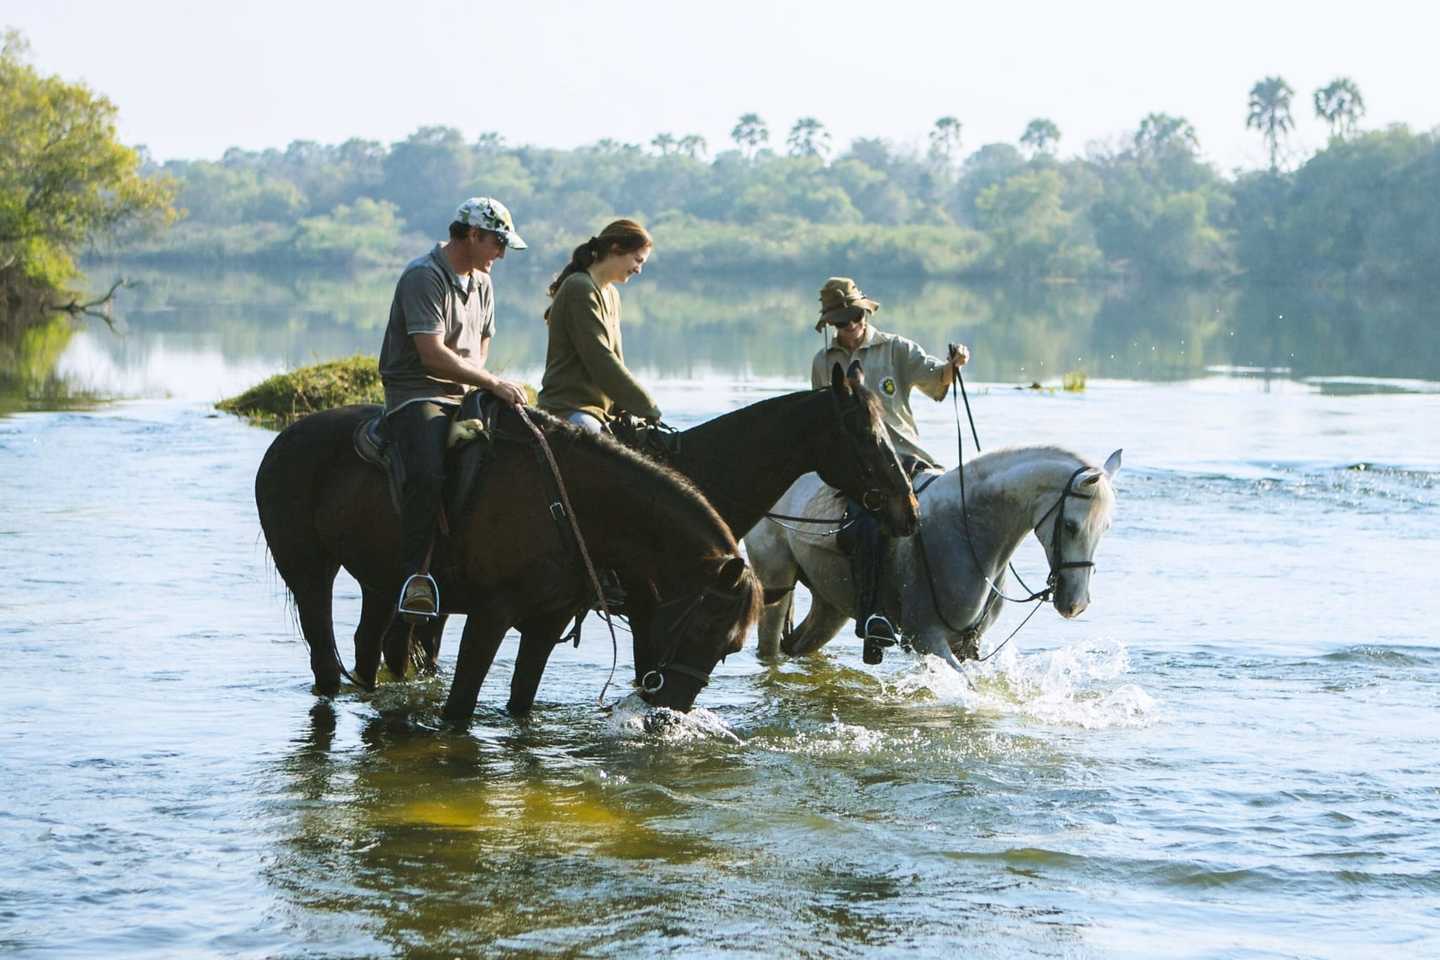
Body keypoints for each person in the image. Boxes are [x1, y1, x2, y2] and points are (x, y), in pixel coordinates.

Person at [377, 197, 530, 620]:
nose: (501, 254)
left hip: (466, 391)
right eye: (498, 243)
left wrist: (481, 385)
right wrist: (491, 383)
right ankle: (416, 577)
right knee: (428, 472)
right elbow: (432, 355)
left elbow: (482, 342)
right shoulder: (423, 276)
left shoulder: (483, 281)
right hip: (418, 393)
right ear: (473, 235)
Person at [808, 277, 971, 663]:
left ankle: (966, 615)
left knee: (955, 512)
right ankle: (873, 615)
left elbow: (936, 379)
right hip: (859, 468)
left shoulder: (897, 348)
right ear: (831, 324)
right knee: (865, 525)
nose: (851, 325)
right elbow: (821, 418)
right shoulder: (824, 362)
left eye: (856, 316)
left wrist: (954, 365)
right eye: (842, 321)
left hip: (907, 458)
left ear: (865, 313)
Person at [536, 219, 661, 433]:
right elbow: (600, 359)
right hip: (569, 409)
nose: (639, 270)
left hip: (602, 411)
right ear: (616, 249)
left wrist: (629, 409)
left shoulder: (612, 294)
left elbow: (616, 358)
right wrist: (648, 407)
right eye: (637, 260)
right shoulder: (579, 287)